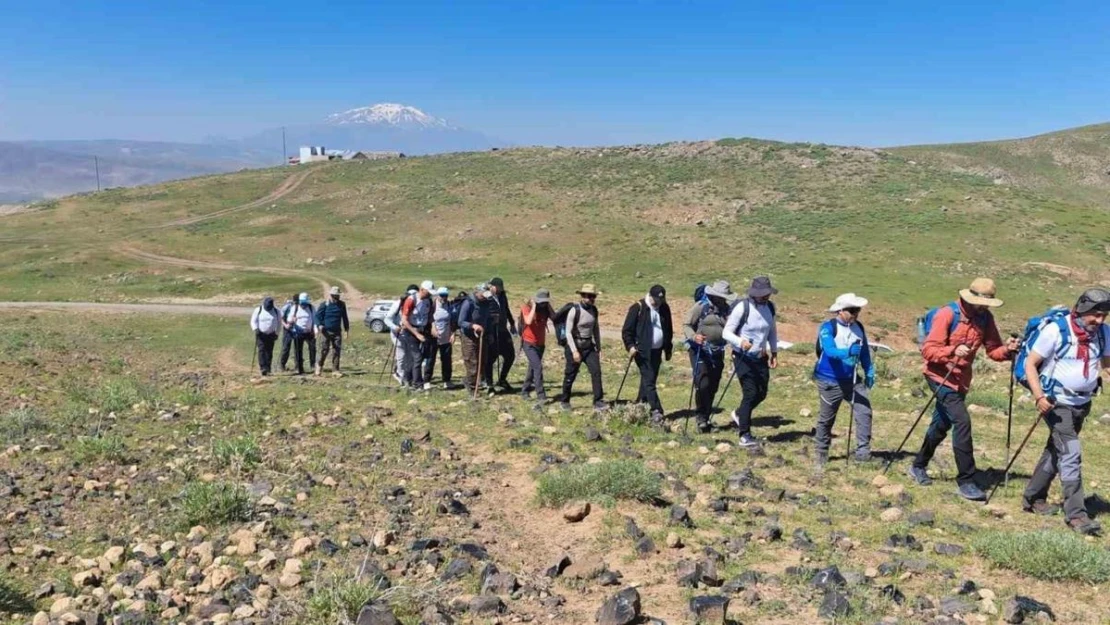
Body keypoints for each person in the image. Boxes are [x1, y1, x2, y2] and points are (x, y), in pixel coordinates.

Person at [908, 278, 1019, 501]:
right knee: (962, 421)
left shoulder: (985, 318)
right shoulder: (947, 314)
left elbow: (993, 350)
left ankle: (918, 465)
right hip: (939, 375)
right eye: (981, 302)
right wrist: (952, 350)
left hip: (961, 380)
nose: (984, 307)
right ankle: (966, 480)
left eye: (987, 303)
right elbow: (929, 351)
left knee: (942, 424)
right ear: (970, 298)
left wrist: (1008, 350)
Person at [1021, 288, 1110, 535]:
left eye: (1104, 316)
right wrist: (1038, 396)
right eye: (1096, 315)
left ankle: (1033, 498)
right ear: (1082, 309)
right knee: (1071, 453)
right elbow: (1031, 363)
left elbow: (1107, 365)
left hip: (1082, 403)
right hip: (1056, 402)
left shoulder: (1103, 334)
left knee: (1055, 449)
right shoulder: (1056, 331)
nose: (1100, 320)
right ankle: (1076, 515)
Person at [813, 293, 876, 466]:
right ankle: (821, 452)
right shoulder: (827, 327)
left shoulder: (859, 327)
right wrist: (847, 352)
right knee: (827, 418)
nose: (856, 314)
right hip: (830, 380)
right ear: (840, 311)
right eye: (852, 310)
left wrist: (869, 370)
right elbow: (829, 351)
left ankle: (863, 452)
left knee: (864, 412)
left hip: (852, 379)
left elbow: (863, 352)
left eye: (858, 310)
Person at [723, 276, 780, 448]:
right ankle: (744, 435)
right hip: (742, 356)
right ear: (754, 294)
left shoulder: (770, 307)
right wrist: (741, 342)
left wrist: (774, 352)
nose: (766, 297)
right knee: (750, 392)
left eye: (767, 294)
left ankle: (740, 414)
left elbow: (772, 331)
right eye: (763, 294)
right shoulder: (743, 307)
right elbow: (727, 332)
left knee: (761, 393)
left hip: (761, 356)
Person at [684, 280, 738, 433]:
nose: (722, 299)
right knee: (703, 383)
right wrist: (694, 337)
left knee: (713, 385)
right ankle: (701, 417)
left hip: (717, 351)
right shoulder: (700, 306)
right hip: (699, 350)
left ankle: (706, 418)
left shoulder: (727, 310)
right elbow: (686, 324)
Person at [622, 285, 673, 427]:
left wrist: (668, 349)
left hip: (657, 351)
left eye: (661, 300)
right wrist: (630, 346)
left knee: (649, 379)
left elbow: (668, 329)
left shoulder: (664, 308)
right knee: (649, 380)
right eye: (656, 299)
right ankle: (657, 410)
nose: (658, 302)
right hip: (642, 351)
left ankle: (640, 404)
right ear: (650, 296)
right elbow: (627, 330)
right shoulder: (637, 308)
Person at [558, 284, 607, 412]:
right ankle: (564, 400)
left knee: (596, 372)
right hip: (574, 346)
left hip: (589, 346)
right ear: (583, 296)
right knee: (571, 374)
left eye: (593, 297)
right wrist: (574, 351)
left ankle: (598, 401)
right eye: (590, 296)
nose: (592, 299)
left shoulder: (594, 310)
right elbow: (568, 332)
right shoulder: (575, 310)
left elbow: (595, 329)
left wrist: (599, 348)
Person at [520, 289, 555, 410]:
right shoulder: (526, 307)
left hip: (540, 344)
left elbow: (555, 318)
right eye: (541, 302)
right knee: (538, 367)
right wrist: (534, 306)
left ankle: (524, 390)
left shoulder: (546, 308)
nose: (543, 304)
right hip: (528, 343)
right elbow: (528, 321)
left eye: (545, 302)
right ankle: (541, 396)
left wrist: (549, 306)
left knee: (533, 367)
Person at [459, 283, 494, 394]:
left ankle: (476, 382)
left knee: (482, 360)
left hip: (482, 335)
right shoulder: (468, 303)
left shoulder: (486, 303)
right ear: (477, 292)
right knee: (472, 362)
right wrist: (472, 325)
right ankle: (471, 386)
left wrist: (490, 332)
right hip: (469, 336)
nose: (484, 297)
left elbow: (487, 318)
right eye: (483, 294)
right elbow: (461, 322)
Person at [400, 280, 434, 390]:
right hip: (410, 331)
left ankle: (407, 379)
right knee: (417, 357)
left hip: (423, 330)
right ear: (422, 289)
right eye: (428, 292)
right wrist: (416, 333)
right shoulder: (411, 300)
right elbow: (404, 320)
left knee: (417, 357)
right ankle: (417, 383)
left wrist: (432, 327)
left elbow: (429, 316)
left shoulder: (429, 300)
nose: (429, 294)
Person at [487, 277, 518, 393]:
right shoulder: (487, 297)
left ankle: (502, 379)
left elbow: (506, 309)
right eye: (498, 288)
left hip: (503, 329)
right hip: (492, 330)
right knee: (491, 358)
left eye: (501, 288)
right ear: (492, 286)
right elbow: (484, 313)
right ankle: (489, 384)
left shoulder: (502, 295)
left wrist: (512, 323)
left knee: (510, 355)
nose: (500, 290)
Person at [385, 285, 418, 384]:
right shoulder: (398, 304)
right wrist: (395, 327)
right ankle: (401, 376)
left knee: (410, 357)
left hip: (409, 334)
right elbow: (387, 319)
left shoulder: (417, 305)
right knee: (402, 356)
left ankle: (407, 376)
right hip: (398, 334)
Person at [314, 286, 350, 375]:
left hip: (337, 331)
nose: (337, 297)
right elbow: (317, 317)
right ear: (331, 295)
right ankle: (319, 365)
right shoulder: (324, 304)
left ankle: (335, 370)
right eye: (335, 295)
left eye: (338, 295)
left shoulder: (342, 305)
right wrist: (319, 325)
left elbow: (345, 317)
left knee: (337, 350)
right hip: (326, 331)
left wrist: (346, 330)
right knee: (324, 350)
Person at [425, 287, 456, 389]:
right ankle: (427, 380)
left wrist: (453, 333)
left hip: (446, 337)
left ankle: (447, 380)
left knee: (447, 360)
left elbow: (452, 320)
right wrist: (433, 328)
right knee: (431, 359)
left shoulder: (449, 305)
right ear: (437, 295)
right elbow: (429, 318)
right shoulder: (433, 305)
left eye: (445, 295)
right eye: (442, 295)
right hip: (434, 337)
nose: (444, 297)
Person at [284, 292, 317, 375]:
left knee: (312, 348)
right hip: (298, 332)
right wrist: (292, 320)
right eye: (302, 303)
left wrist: (315, 330)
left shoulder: (311, 308)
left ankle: (313, 365)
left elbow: (314, 319)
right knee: (298, 351)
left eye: (305, 303)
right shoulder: (294, 308)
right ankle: (300, 368)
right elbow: (288, 319)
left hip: (309, 332)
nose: (303, 305)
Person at [250, 297, 281, 376]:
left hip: (271, 334)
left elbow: (279, 324)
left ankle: (268, 367)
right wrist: (256, 329)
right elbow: (253, 321)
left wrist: (277, 334)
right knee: (262, 350)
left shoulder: (276, 312)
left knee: (269, 351)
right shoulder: (258, 310)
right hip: (261, 334)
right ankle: (263, 367)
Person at [278, 293, 298, 371]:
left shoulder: (301, 307)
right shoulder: (287, 307)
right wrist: (285, 325)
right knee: (286, 348)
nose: (297, 304)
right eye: (296, 302)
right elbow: (281, 317)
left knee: (297, 348)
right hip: (287, 330)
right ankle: (282, 365)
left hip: (297, 330)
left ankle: (297, 366)